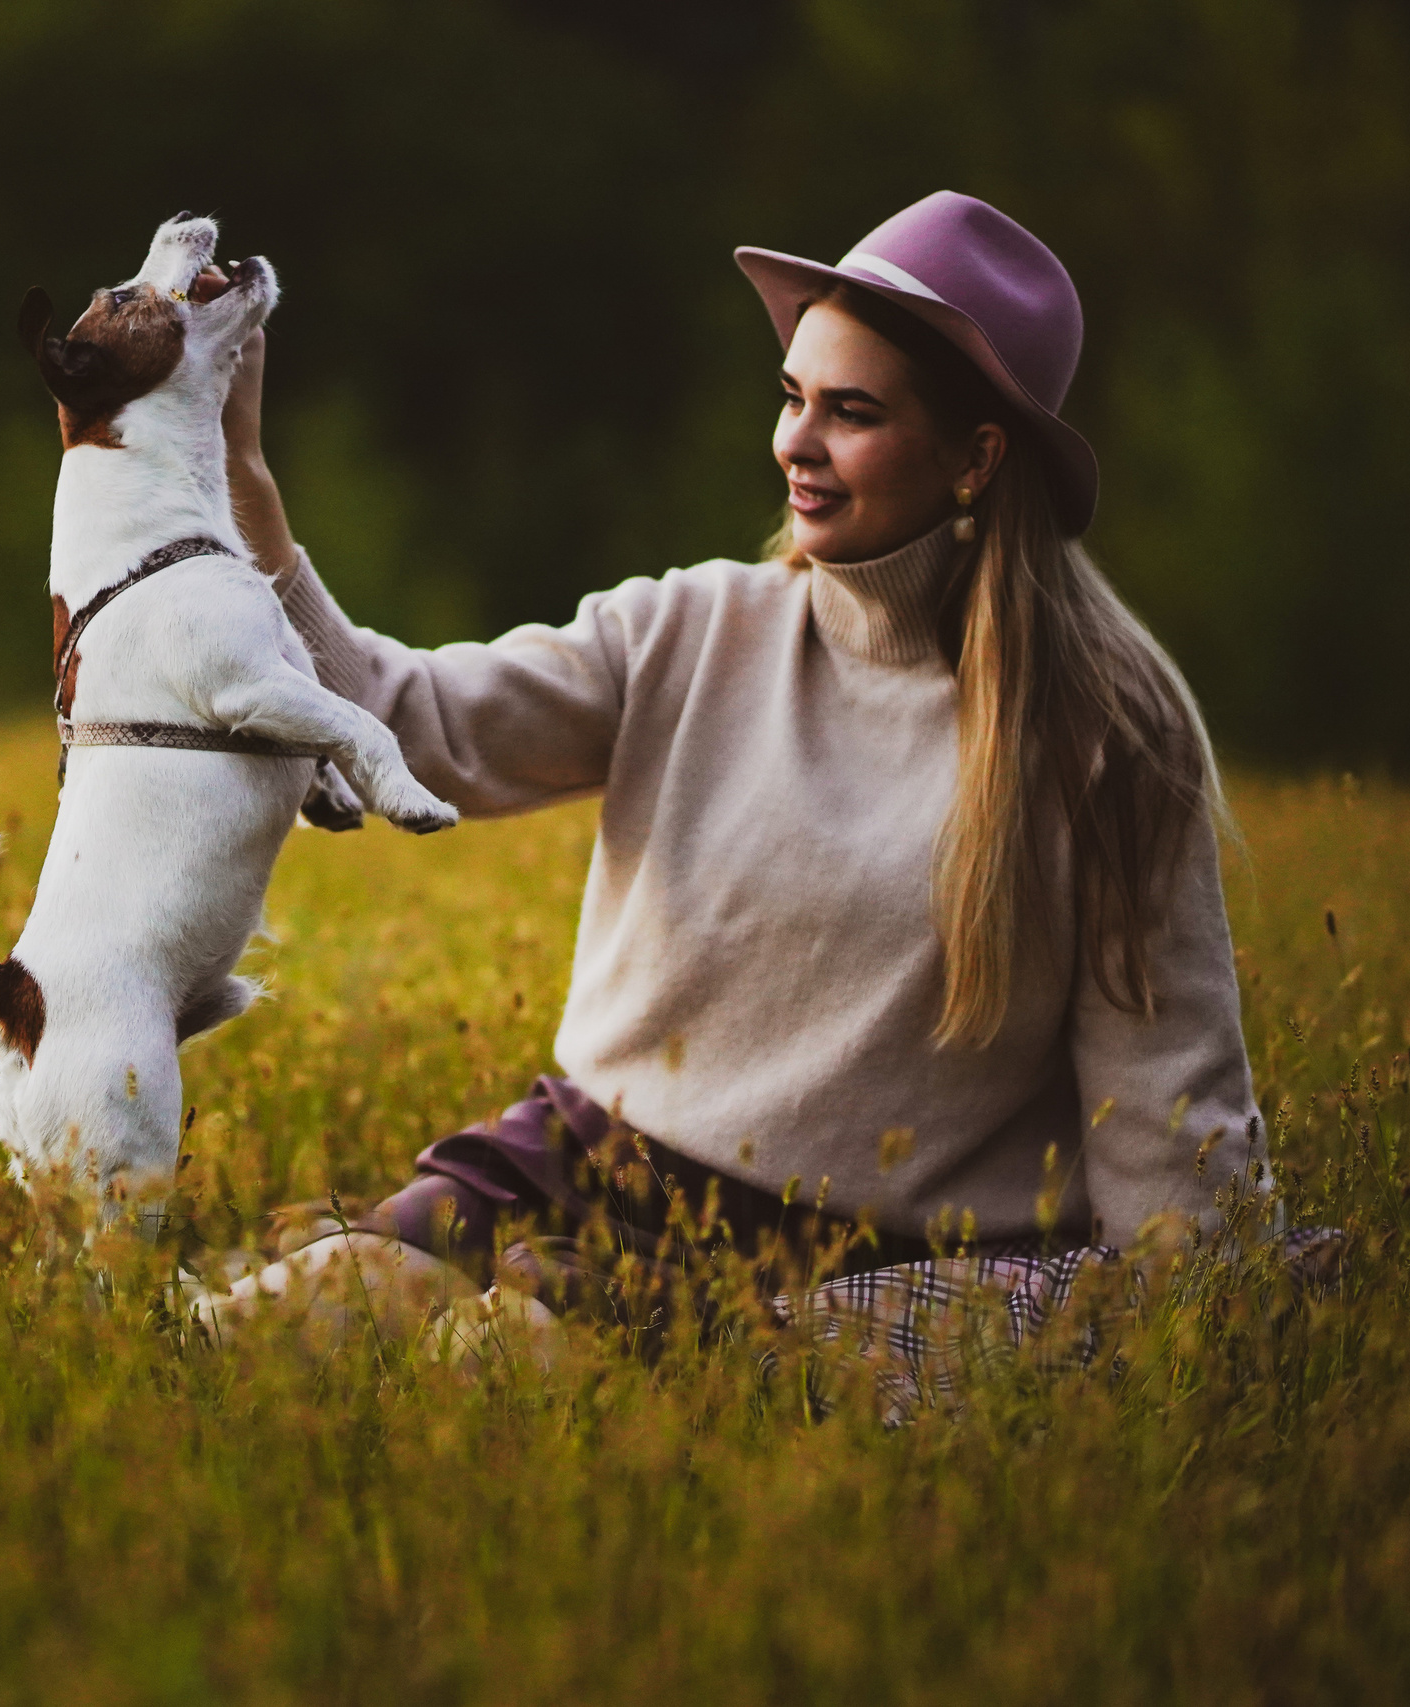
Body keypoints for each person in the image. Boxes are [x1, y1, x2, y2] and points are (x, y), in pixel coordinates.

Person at [198, 192, 1265, 1353]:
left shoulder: (1109, 733)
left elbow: (1166, 1108)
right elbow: (405, 722)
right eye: (792, 397)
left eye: (849, 412)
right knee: (278, 1326)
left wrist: (1195, 1325)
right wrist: (241, 482)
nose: (794, 444)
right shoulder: (691, 628)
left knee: (498, 1370)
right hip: (580, 1163)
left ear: (976, 457)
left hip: (833, 1268)